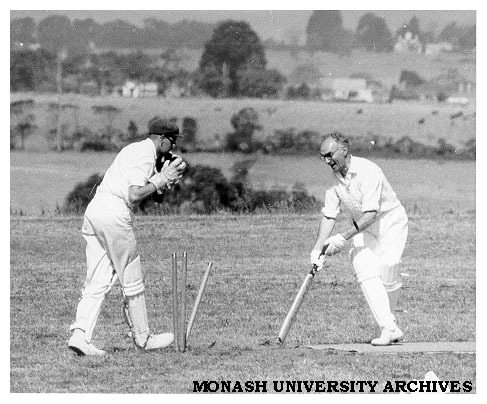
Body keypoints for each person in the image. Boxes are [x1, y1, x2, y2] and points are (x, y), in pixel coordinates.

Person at [68, 117, 187, 356]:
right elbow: (134, 195)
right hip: (114, 213)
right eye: (172, 141)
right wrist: (162, 178)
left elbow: (155, 196)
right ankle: (143, 338)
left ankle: (80, 335)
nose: (174, 146)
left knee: (97, 280)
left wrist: (164, 180)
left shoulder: (135, 150)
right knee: (131, 277)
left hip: (95, 212)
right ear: (161, 138)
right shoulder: (144, 155)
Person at [310, 132, 408, 346]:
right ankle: (388, 328)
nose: (327, 161)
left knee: (388, 269)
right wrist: (317, 250)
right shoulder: (333, 182)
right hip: (364, 228)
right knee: (362, 264)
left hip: (390, 222)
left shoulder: (368, 171)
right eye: (323, 157)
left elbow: (371, 214)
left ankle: (389, 326)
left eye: (329, 155)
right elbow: (329, 215)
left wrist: (342, 238)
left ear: (343, 151)